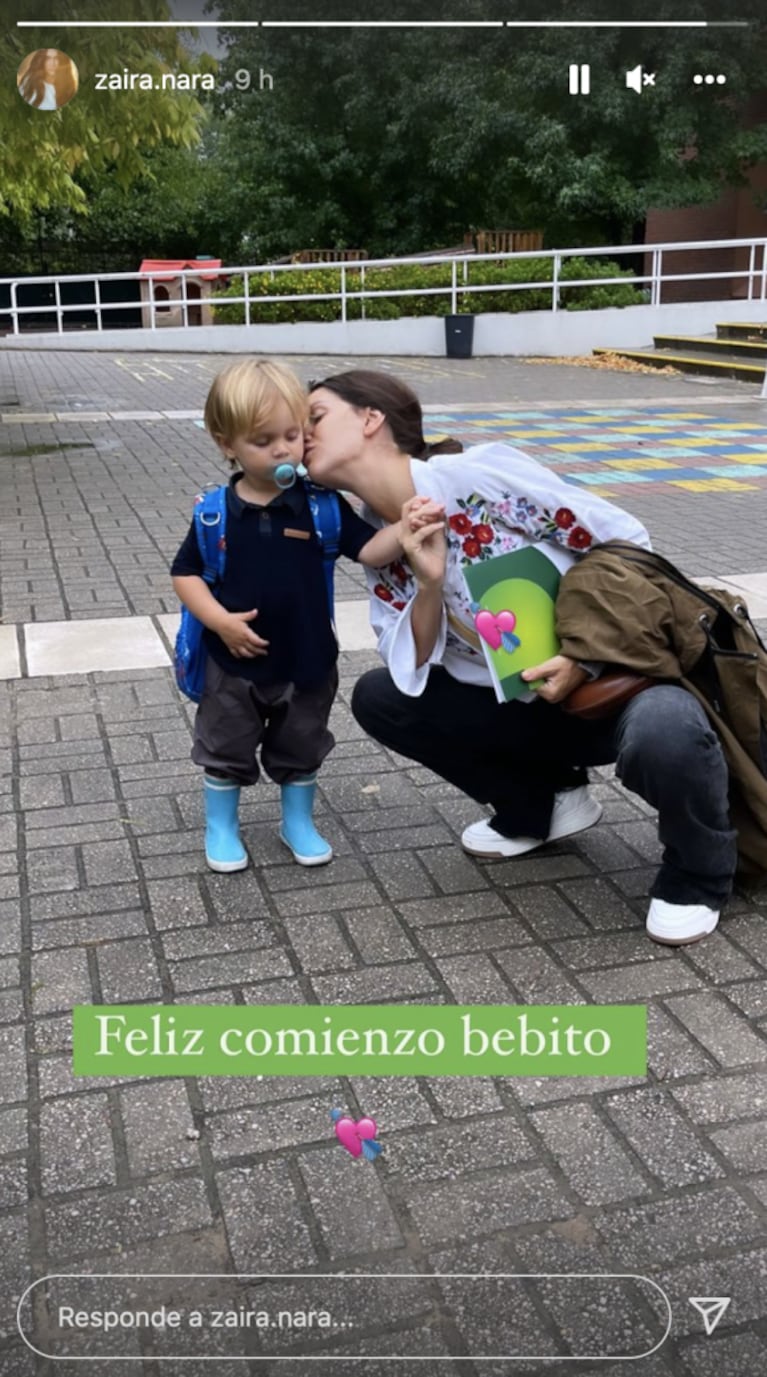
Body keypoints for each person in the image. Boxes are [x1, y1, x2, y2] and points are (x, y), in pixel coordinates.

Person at [304, 369, 738, 946]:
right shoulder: (377, 545)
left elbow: (625, 538)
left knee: (666, 730)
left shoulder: (472, 477)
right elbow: (411, 661)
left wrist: (582, 656)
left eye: (315, 418)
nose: (300, 434)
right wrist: (428, 583)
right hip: (524, 705)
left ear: (369, 419)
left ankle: (699, 873)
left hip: (616, 687)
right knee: (381, 697)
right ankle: (545, 807)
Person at [171, 359, 443, 874]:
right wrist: (219, 621)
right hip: (232, 664)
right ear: (225, 442)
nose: (282, 450)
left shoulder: (321, 506)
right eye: (263, 440)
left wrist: (404, 531)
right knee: (224, 745)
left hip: (309, 659)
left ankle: (296, 821)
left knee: (302, 746)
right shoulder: (213, 512)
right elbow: (185, 575)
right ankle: (221, 825)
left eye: (293, 435)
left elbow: (369, 551)